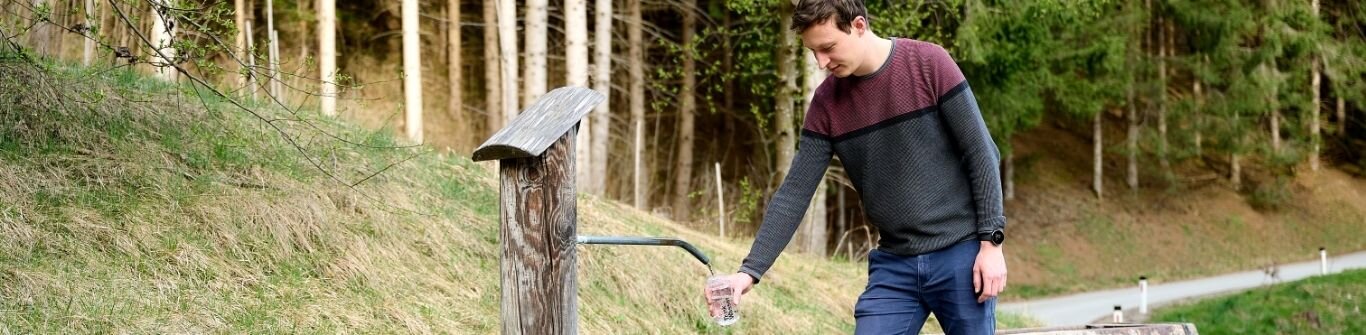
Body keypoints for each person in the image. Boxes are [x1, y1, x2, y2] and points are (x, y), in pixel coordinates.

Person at [705, 0, 1008, 334]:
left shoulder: (929, 63)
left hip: (961, 255)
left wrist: (991, 243)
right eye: (813, 52)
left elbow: (982, 153)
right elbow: (794, 192)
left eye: (828, 47)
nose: (821, 62)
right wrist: (748, 272)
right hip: (895, 264)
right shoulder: (826, 104)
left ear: (859, 26)